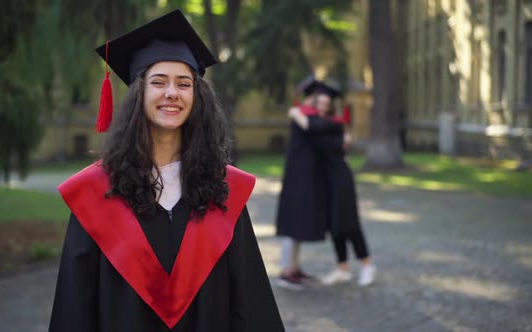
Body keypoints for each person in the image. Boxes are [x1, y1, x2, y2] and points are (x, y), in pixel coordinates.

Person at [48, 10, 284, 331]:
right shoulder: (97, 191)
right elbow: (75, 306)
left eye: (184, 83)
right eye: (159, 82)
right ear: (139, 93)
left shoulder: (223, 188)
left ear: (195, 97)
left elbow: (248, 299)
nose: (172, 92)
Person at [288, 82, 376, 287]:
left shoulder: (332, 123)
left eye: (326, 102)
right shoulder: (316, 121)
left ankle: (367, 265)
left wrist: (295, 112)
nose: (322, 105)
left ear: (330, 106)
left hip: (340, 178)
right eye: (319, 101)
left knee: (350, 223)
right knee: (335, 225)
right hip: (325, 180)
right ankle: (343, 268)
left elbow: (311, 125)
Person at [274, 79, 339, 289]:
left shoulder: (307, 117)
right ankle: (285, 271)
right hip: (297, 178)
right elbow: (309, 125)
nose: (318, 102)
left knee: (299, 223)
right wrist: (296, 113)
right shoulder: (302, 116)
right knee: (292, 223)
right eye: (315, 98)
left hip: (307, 178)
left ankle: (294, 267)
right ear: (310, 98)